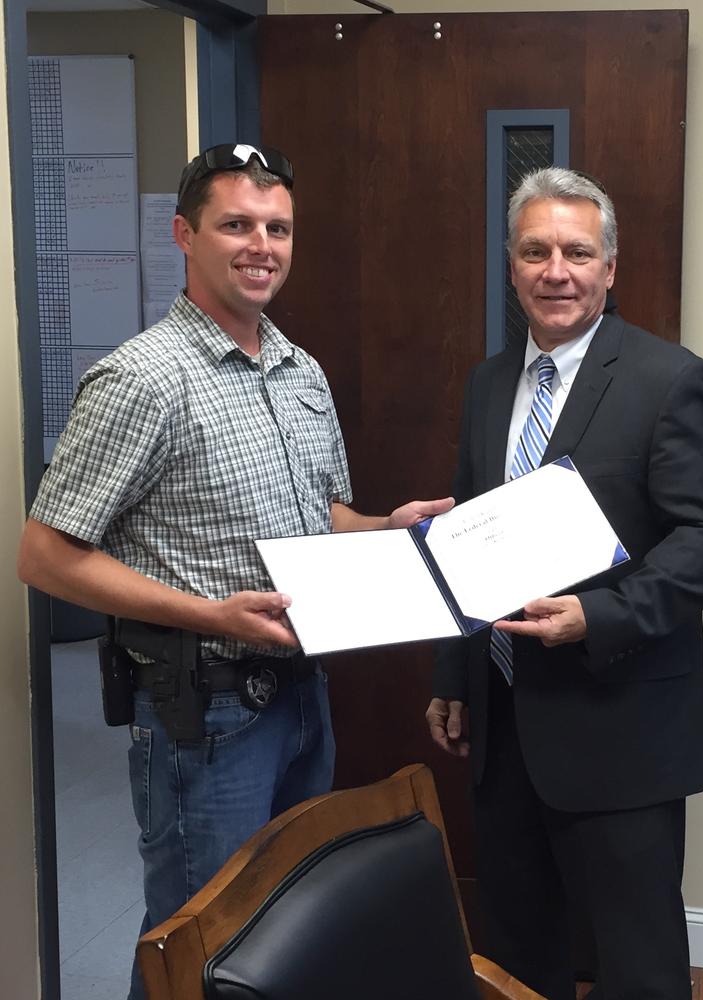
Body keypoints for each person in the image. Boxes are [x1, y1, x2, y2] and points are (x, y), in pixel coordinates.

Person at [17, 143, 452, 999]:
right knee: (196, 939)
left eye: (278, 228)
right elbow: (46, 554)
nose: (262, 245)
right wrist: (213, 615)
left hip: (299, 694)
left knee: (283, 927)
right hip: (202, 714)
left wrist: (384, 530)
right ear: (185, 234)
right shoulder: (142, 379)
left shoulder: (300, 371)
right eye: (236, 225)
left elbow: (321, 516)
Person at [426, 167, 703, 1000]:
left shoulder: (669, 380)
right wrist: (455, 674)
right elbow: (467, 537)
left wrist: (598, 618)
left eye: (577, 251)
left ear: (610, 267)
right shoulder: (489, 382)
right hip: (502, 730)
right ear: (511, 263)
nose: (555, 270)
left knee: (635, 960)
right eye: (535, 251)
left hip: (622, 727)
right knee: (518, 947)